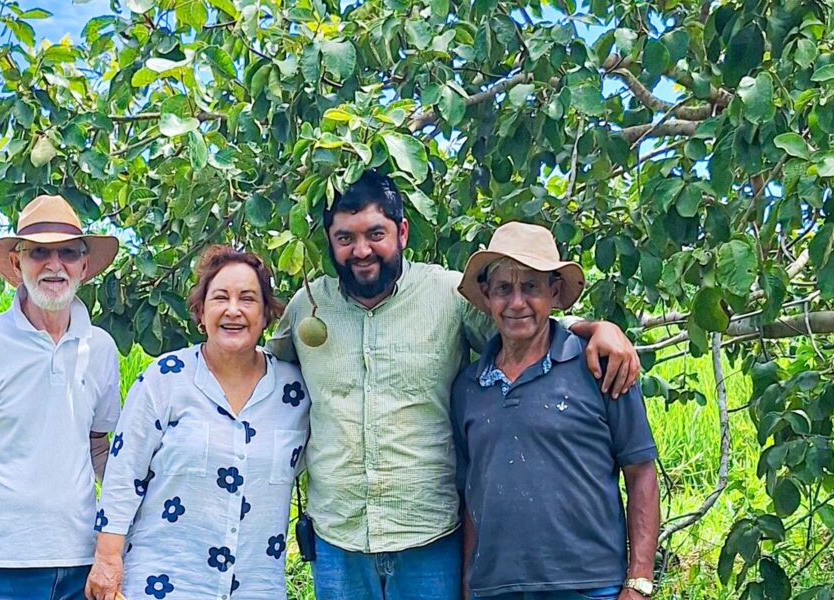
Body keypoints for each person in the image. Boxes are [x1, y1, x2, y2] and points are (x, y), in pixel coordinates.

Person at [267, 170, 641, 600]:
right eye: (345, 238)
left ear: (402, 231)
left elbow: (524, 323)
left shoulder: (447, 295)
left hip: (430, 538)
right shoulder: (307, 308)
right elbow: (262, 372)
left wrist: (596, 328)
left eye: (376, 233)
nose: (362, 251)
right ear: (330, 240)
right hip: (338, 540)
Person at [85, 245, 311, 600]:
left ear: (267, 314)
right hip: (162, 584)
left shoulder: (295, 391)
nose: (233, 310)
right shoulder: (164, 379)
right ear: (200, 313)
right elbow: (123, 475)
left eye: (248, 299)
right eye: (220, 297)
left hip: (257, 586)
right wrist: (107, 559)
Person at [451, 221, 659, 600]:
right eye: (503, 288)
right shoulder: (468, 387)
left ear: (554, 291)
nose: (517, 303)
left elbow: (640, 472)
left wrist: (639, 581)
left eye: (531, 286)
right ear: (486, 294)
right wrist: (468, 586)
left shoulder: (600, 367)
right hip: (495, 590)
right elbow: (471, 495)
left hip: (589, 587)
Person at [0, 194, 122, 600]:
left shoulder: (101, 348)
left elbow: (99, 448)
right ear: (17, 264)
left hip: (79, 565)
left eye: (68, 253)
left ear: (84, 266)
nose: (55, 266)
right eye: (39, 253)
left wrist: (124, 537)